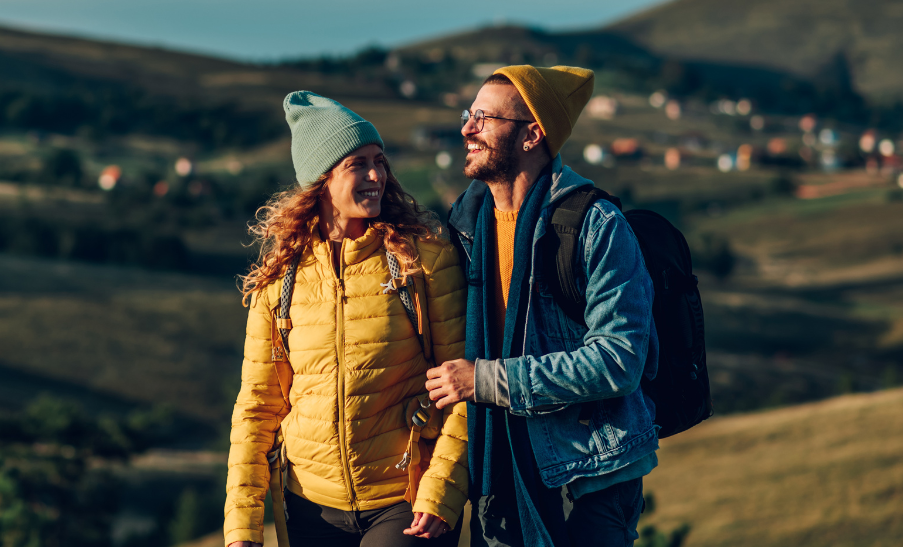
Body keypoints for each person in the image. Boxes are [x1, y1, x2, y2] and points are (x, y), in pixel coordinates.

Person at [424, 66, 660, 547]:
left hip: (589, 475)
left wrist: (486, 380)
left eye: (484, 118)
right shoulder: (468, 229)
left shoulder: (594, 224)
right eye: (470, 114)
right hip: (501, 475)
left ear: (532, 134)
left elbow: (619, 361)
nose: (467, 128)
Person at [224, 91, 470, 547]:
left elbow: (464, 388)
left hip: (407, 503)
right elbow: (257, 409)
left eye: (379, 161)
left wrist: (441, 493)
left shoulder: (424, 262)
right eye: (357, 164)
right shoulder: (278, 283)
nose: (377, 175)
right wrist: (242, 530)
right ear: (322, 180)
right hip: (310, 508)